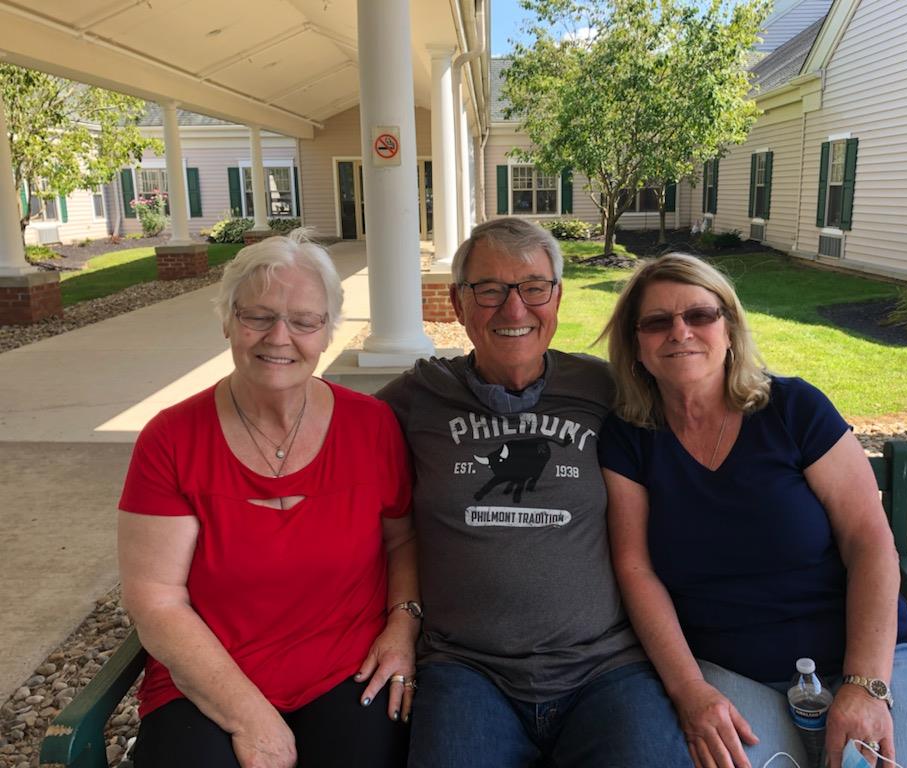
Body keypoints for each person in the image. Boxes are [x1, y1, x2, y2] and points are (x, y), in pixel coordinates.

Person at [597, 253, 907, 768]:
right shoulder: (630, 437)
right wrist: (689, 690)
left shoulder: (793, 409)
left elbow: (869, 540)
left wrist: (865, 684)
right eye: (657, 322)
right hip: (732, 669)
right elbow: (636, 568)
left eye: (699, 315)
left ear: (729, 327)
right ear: (635, 345)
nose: (680, 332)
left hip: (871, 655)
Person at [376, 217, 691, 768]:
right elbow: (326, 433)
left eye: (533, 287)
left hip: (606, 667)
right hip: (467, 670)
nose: (514, 309)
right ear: (457, 302)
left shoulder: (604, 389)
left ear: (558, 297)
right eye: (489, 289)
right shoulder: (418, 396)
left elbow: (704, 410)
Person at [118, 231, 419, 768]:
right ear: (227, 321)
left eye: (304, 321)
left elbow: (402, 540)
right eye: (257, 316)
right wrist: (250, 718)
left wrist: (403, 623)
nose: (279, 337)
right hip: (207, 678)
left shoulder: (371, 426)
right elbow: (155, 598)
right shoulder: (171, 438)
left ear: (327, 331)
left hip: (345, 669)